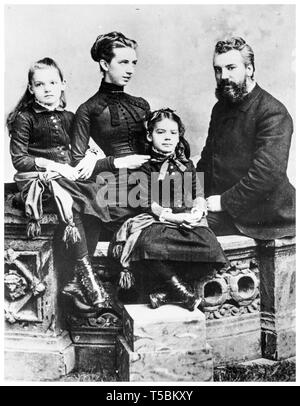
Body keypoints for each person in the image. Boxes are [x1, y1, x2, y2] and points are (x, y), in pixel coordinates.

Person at [7, 57, 111, 311]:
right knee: (71, 200)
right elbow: (19, 160)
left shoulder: (69, 116)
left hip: (66, 177)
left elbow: (84, 148)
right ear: (31, 89)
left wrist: (87, 158)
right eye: (40, 84)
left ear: (63, 84)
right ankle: (86, 276)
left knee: (97, 197)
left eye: (53, 82)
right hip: (38, 180)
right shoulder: (25, 118)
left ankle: (77, 279)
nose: (48, 88)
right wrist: (53, 166)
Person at [109, 108, 229, 311]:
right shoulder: (144, 167)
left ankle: (166, 294)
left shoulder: (186, 164)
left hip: (188, 220)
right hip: (158, 221)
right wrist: (172, 218)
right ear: (149, 135)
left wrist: (197, 212)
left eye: (173, 133)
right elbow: (148, 203)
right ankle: (183, 293)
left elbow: (198, 194)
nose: (167, 138)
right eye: (161, 132)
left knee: (212, 250)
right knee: (147, 247)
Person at [196, 37, 295, 240]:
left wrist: (223, 202)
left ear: (249, 69)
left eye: (231, 68)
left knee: (181, 233)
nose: (223, 76)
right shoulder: (220, 108)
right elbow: (207, 161)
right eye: (218, 69)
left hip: (262, 218)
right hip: (223, 209)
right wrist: (192, 196)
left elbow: (266, 175)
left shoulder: (272, 112)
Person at [70, 31, 151, 234]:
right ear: (105, 65)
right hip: (116, 186)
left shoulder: (141, 104)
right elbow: (77, 165)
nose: (131, 70)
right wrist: (116, 162)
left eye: (134, 63)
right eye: (123, 62)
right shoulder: (88, 110)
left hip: (150, 178)